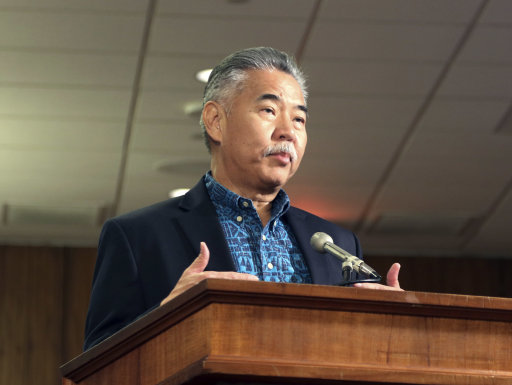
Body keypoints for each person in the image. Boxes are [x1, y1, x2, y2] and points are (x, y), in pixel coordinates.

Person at [83, 47, 402, 351]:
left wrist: (394, 327)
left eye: (299, 119)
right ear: (215, 121)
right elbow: (99, 367)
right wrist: (168, 314)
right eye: (269, 110)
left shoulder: (339, 245)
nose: (287, 132)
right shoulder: (138, 237)